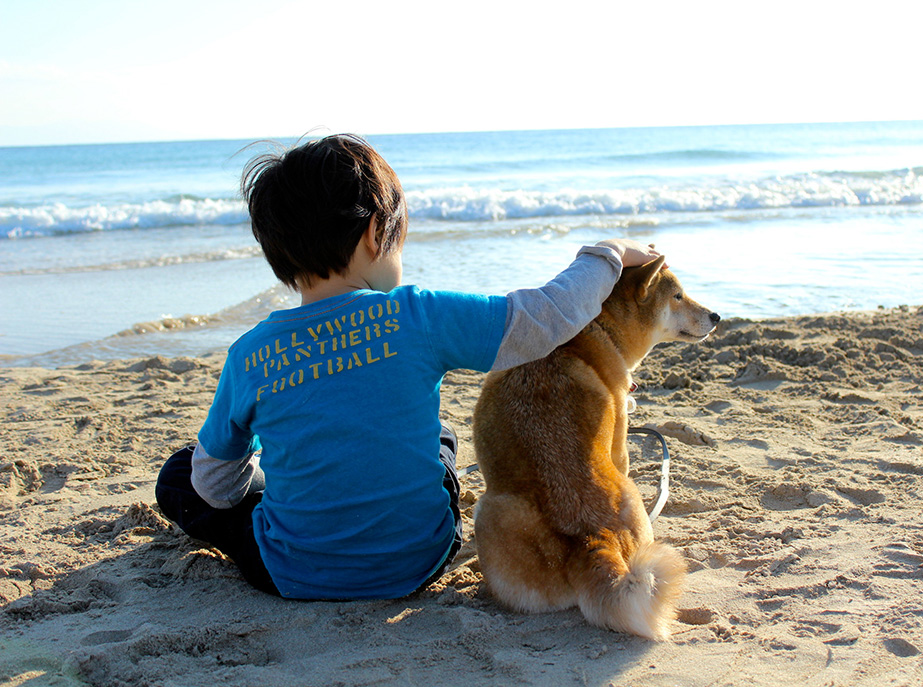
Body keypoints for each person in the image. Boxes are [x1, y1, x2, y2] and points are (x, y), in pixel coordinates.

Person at [154, 134, 662, 600]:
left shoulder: (251, 353)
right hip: (420, 560)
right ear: (376, 233)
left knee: (180, 473)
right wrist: (609, 252)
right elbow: (545, 317)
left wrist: (268, 471)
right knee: (438, 436)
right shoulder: (419, 315)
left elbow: (217, 487)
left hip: (292, 573)